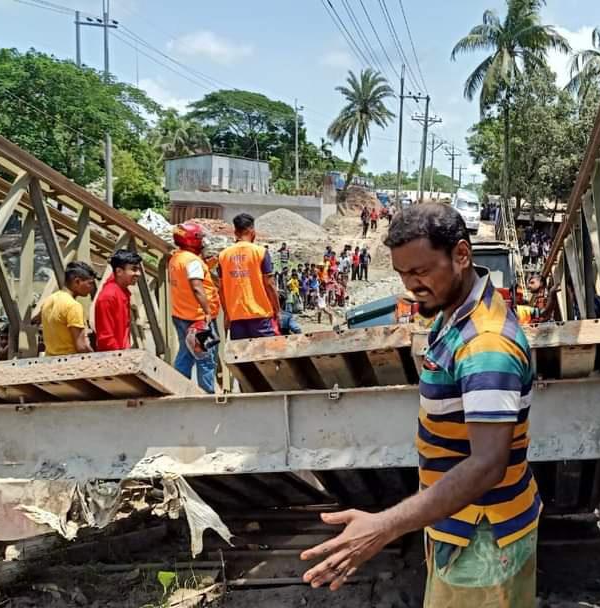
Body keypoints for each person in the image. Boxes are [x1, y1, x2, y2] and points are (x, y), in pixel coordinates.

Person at [301, 203, 540, 605]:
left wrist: (383, 527)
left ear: (461, 255)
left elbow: (486, 464)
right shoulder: (455, 315)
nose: (411, 285)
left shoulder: (485, 345)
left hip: (482, 538)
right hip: (464, 527)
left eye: (421, 271)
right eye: (402, 274)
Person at [169, 222, 220, 393]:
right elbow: (196, 286)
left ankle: (178, 389)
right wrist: (207, 311)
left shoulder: (176, 258)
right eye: (199, 238)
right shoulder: (192, 261)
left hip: (180, 314)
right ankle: (207, 394)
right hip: (197, 318)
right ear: (192, 240)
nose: (202, 241)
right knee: (206, 358)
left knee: (186, 353)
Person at [218, 214, 281, 341]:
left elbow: (221, 289)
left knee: (242, 358)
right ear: (251, 231)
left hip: (236, 317)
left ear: (235, 232)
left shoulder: (223, 256)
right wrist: (277, 310)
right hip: (260, 316)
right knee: (266, 357)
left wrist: (226, 314)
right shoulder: (260, 252)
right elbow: (269, 284)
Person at [37, 261, 97, 356]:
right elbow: (81, 346)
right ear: (77, 281)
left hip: (50, 361)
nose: (91, 288)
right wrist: (96, 359)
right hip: (69, 362)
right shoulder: (73, 306)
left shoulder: (48, 300)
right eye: (90, 283)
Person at [94, 249, 144, 352]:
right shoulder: (108, 297)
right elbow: (106, 338)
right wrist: (121, 358)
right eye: (134, 269)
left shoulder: (122, 291)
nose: (138, 273)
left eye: (138, 269)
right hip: (114, 358)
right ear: (119, 271)